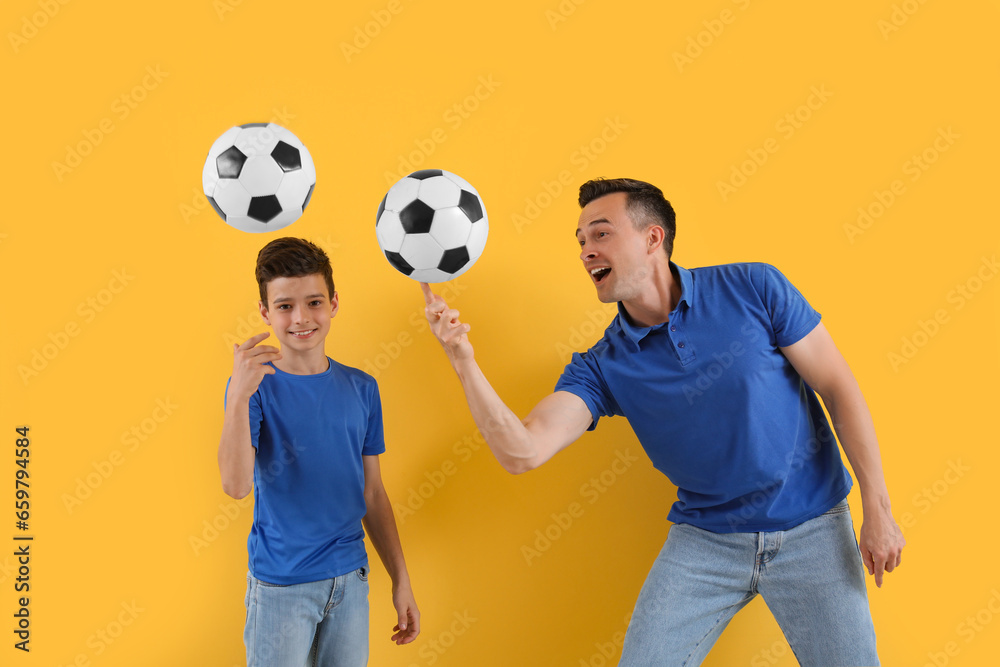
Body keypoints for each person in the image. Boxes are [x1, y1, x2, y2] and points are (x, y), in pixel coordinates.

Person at [420, 178, 904, 666]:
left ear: (654, 238)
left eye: (600, 233)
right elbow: (522, 451)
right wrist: (462, 359)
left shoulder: (754, 287)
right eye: (581, 240)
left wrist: (877, 508)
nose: (586, 250)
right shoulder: (603, 365)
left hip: (814, 529)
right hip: (706, 543)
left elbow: (838, 387)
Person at [219, 237, 419, 666]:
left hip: (350, 579)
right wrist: (237, 397)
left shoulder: (362, 388)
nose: (301, 318)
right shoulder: (253, 389)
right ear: (265, 312)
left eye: (313, 302)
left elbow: (373, 493)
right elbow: (236, 486)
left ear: (333, 304)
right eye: (285, 306)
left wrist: (400, 580)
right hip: (282, 588)